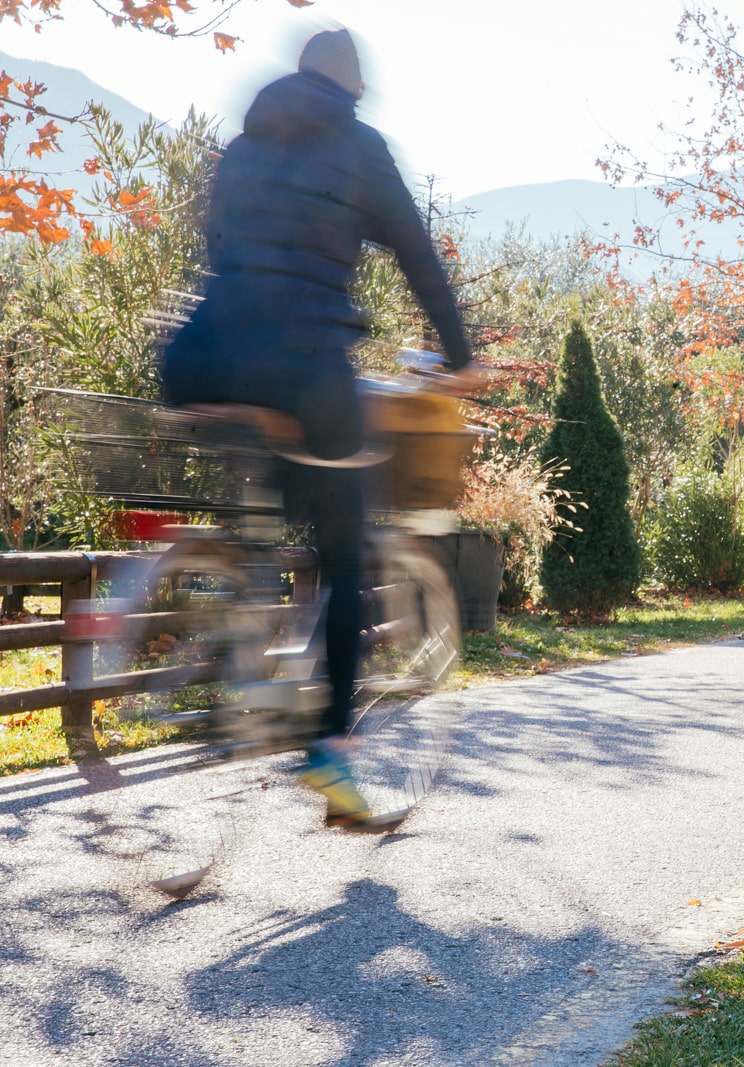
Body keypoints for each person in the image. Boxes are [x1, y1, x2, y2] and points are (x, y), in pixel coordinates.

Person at [161, 28, 478, 825]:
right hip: (305, 367)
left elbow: (216, 246)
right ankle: (330, 752)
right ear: (354, 89)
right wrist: (461, 355)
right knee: (344, 549)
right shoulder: (359, 147)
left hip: (202, 355)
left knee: (267, 513)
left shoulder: (242, 148)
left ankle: (244, 628)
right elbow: (418, 255)